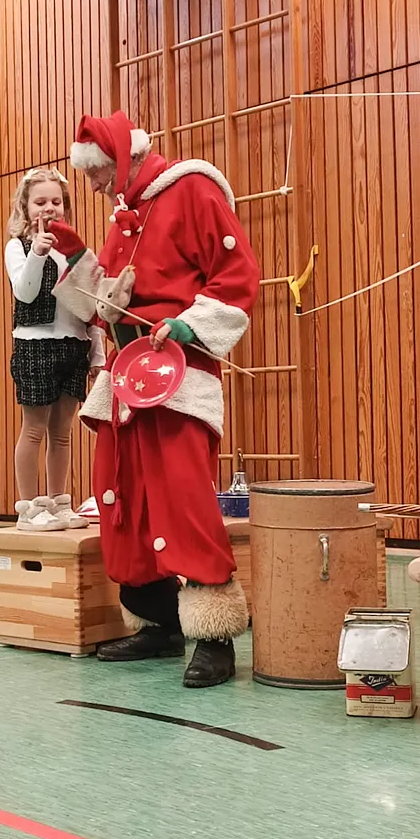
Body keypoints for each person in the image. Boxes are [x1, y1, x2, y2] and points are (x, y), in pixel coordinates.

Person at [48, 112, 260, 688]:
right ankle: (159, 620)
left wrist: (192, 325)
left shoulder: (193, 189)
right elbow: (106, 306)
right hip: (125, 378)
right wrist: (71, 252)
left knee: (183, 498)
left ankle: (213, 637)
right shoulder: (125, 217)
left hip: (179, 374)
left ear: (126, 157)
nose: (91, 185)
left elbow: (237, 274)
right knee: (122, 498)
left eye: (96, 172)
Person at [4, 167, 105, 531]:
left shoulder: (75, 252)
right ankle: (30, 507)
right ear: (25, 207)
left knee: (62, 431)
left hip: (73, 346)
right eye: (40, 201)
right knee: (34, 429)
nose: (49, 208)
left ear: (66, 207)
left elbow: (92, 307)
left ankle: (59, 501)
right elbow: (25, 292)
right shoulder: (18, 247)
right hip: (36, 344)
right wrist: (38, 253)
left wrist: (97, 355)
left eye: (56, 202)